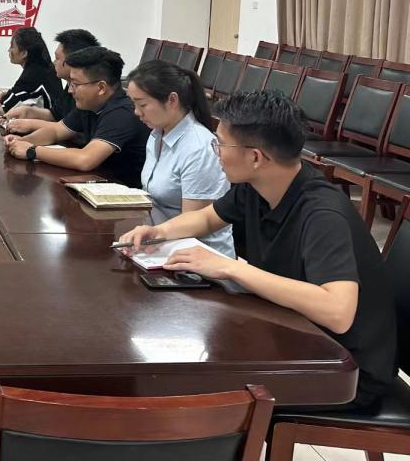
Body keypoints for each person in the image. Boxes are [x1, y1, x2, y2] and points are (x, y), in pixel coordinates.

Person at [118, 91, 397, 410]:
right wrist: (159, 232)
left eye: (220, 144)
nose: (216, 153)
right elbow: (207, 218)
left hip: (345, 372)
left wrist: (231, 267)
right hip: (298, 338)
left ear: (255, 157)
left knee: (193, 394)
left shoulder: (322, 214)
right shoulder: (258, 187)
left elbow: (338, 312)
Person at [125, 60, 234, 257]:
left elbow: (194, 224)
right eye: (134, 104)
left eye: (142, 104)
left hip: (196, 252)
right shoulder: (156, 134)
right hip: (160, 239)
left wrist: (155, 235)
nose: (136, 112)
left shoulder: (199, 148)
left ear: (172, 100)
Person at [3, 46, 150, 187]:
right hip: (99, 181)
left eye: (75, 84)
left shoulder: (122, 112)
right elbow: (56, 131)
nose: (70, 90)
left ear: (101, 88)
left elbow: (85, 159)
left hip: (124, 191)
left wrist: (32, 151)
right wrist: (22, 141)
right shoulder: (89, 104)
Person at [5, 28, 99, 121]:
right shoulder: (70, 86)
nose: (54, 63)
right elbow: (55, 114)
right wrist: (28, 111)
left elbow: (64, 128)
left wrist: (26, 123)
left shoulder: (87, 98)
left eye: (57, 58)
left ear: (73, 61)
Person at [0, 27, 67, 116]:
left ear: (24, 53)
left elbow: (5, 107)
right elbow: (18, 93)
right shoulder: (42, 68)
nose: (9, 50)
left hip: (52, 122)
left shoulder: (32, 74)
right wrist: (3, 94)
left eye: (12, 46)